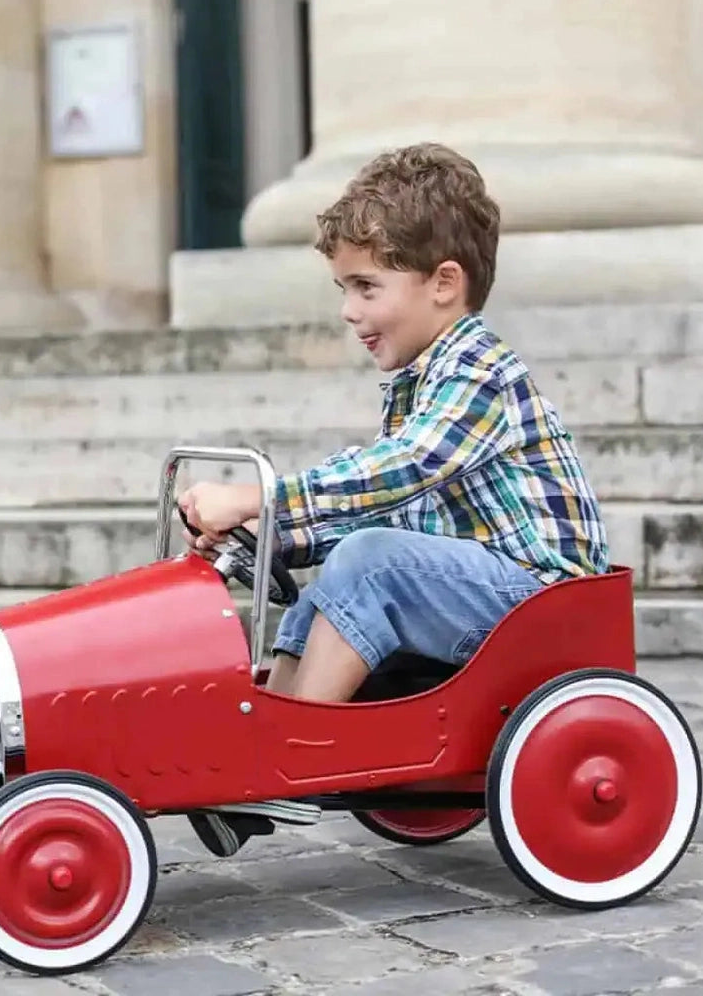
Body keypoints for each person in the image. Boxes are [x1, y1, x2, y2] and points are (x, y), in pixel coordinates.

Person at [178, 142, 609, 857]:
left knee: (371, 563)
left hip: (543, 603)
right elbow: (378, 507)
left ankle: (288, 759)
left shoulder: (479, 370)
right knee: (342, 573)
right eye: (344, 290)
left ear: (444, 283)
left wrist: (262, 495)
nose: (349, 311)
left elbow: (404, 469)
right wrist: (271, 532)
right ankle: (257, 744)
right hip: (483, 593)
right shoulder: (418, 383)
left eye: (366, 287)